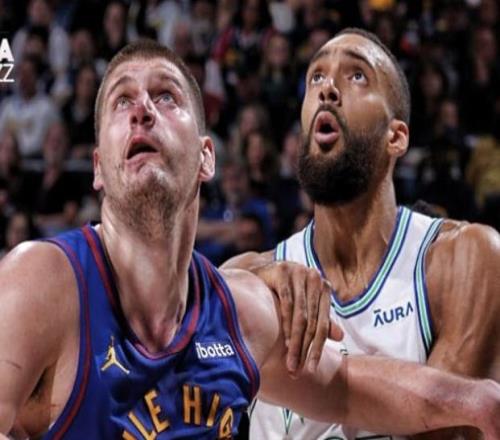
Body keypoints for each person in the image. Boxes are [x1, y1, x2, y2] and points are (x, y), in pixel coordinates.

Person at [0, 40, 499, 440]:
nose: (143, 109)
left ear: (206, 158)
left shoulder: (239, 312)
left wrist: (479, 401)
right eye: (121, 100)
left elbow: (347, 388)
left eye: (166, 96)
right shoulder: (41, 282)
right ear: (97, 167)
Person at [222, 28, 500, 439]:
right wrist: (245, 290)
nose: (327, 89)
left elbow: (449, 424)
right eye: (316, 77)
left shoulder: (466, 260)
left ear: (396, 136)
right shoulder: (250, 278)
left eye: (357, 76)